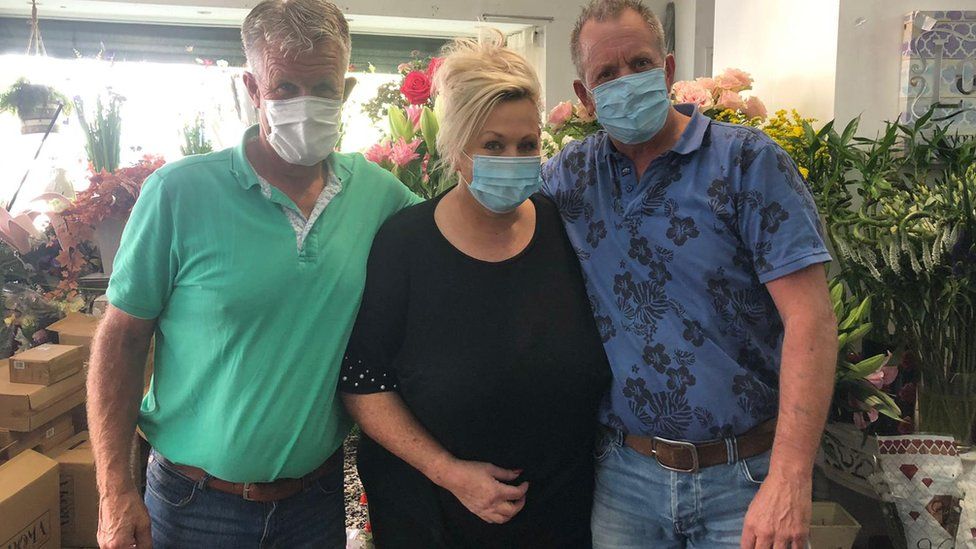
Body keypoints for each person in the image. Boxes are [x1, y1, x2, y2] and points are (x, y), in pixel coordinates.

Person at [87, 1, 420, 547]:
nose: (303, 105)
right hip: (195, 505)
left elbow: (451, 241)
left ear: (348, 89)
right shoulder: (179, 194)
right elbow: (122, 340)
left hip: (316, 504)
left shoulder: (383, 198)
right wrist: (112, 489)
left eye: (322, 88)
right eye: (284, 87)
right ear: (251, 86)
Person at [541, 1, 838, 548]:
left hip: (744, 479)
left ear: (669, 70)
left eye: (640, 63)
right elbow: (492, 225)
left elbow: (811, 321)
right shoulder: (570, 177)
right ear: (584, 97)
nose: (626, 80)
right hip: (625, 480)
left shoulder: (748, 162)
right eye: (606, 73)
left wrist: (791, 477)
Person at [339, 35, 611, 549]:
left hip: (562, 513)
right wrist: (448, 471)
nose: (513, 158)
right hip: (432, 514)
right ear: (457, 148)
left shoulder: (566, 231)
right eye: (493, 145)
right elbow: (361, 380)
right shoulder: (405, 244)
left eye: (526, 145)